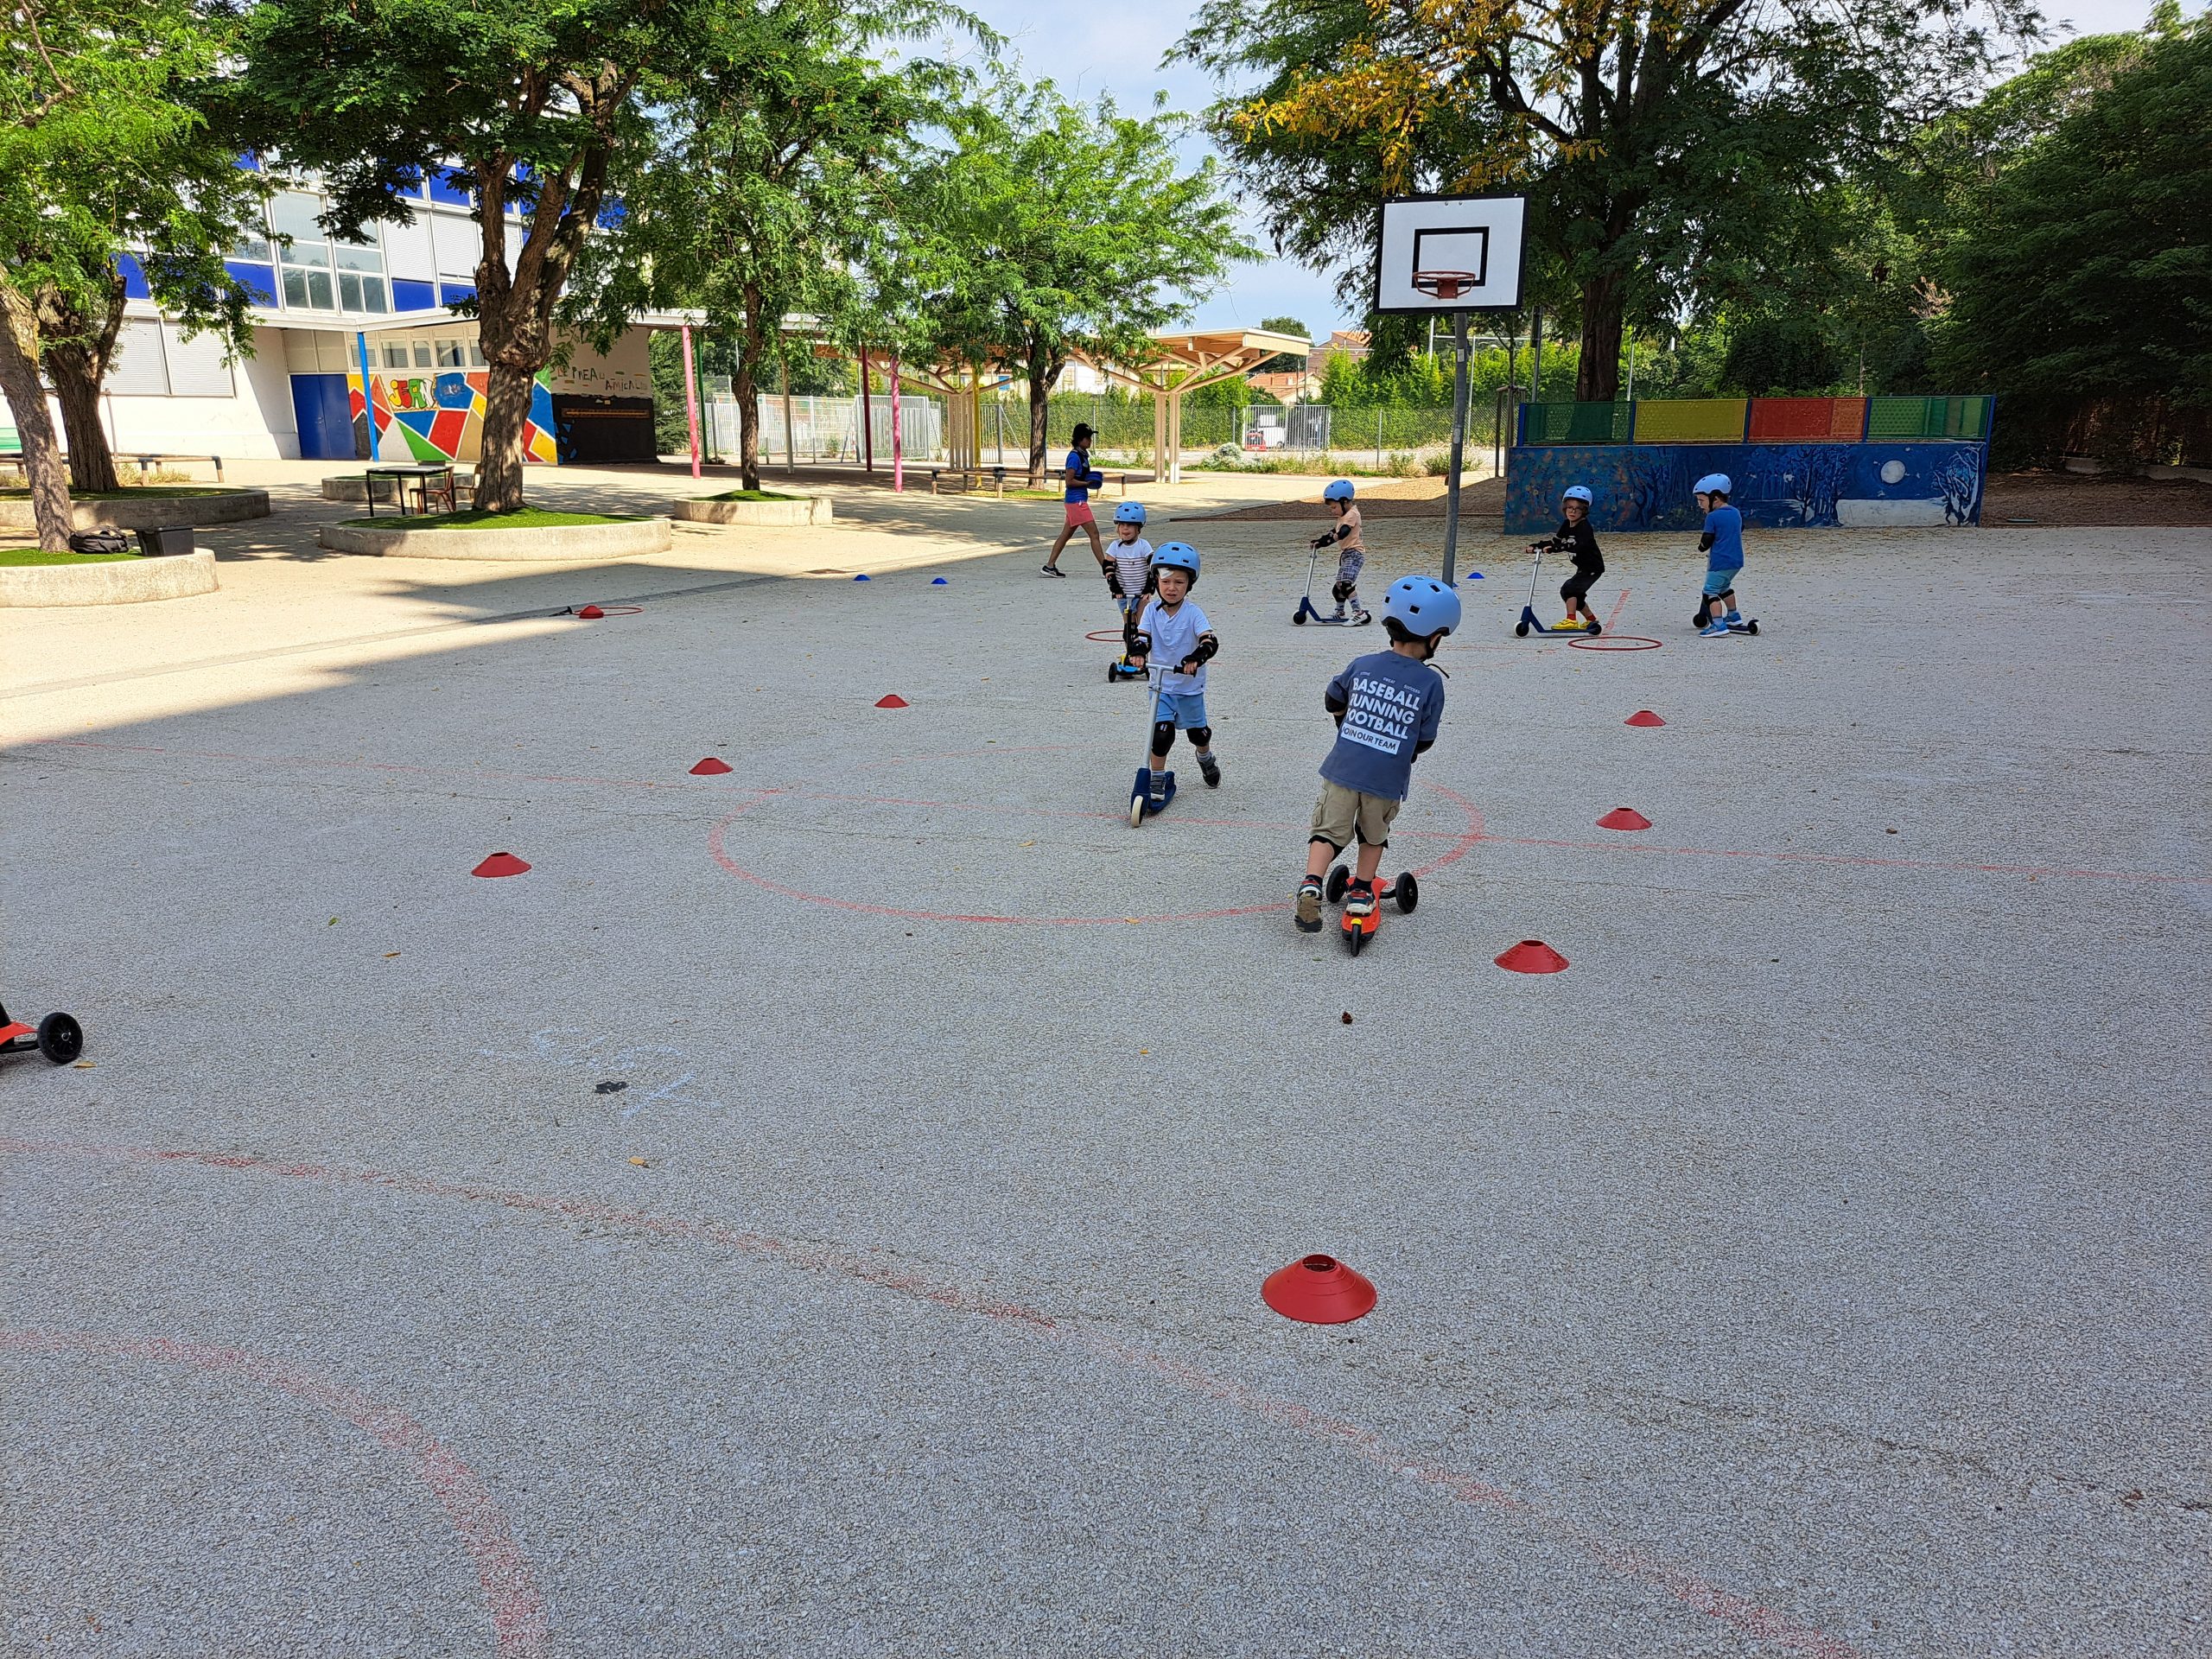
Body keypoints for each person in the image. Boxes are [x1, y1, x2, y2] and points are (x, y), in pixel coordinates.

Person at [1294, 575, 1458, 936]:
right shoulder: (1430, 683)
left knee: (1327, 831)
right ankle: (1361, 891)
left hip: (1342, 767)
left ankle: (1311, 884)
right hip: (1386, 776)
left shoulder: (1363, 664)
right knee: (1373, 834)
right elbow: (1425, 739)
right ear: (1434, 637)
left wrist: (1345, 726)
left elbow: (1333, 699)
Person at [1126, 543, 1220, 800]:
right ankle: (1156, 779)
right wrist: (1137, 652)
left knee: (1198, 734)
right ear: (1156, 581)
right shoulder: (1151, 613)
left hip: (1189, 688)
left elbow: (1209, 641)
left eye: (1179, 582)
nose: (1171, 588)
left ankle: (1206, 757)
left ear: (1189, 584)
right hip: (1161, 685)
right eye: (1166, 581)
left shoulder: (1193, 613)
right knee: (1161, 734)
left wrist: (1196, 658)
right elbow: (1142, 637)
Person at [1043, 422, 1106, 577]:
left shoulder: (1082, 455)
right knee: (1095, 534)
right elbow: (1069, 481)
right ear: (1079, 440)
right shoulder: (1074, 457)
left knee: (1065, 535)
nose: (1090, 441)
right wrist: (1087, 483)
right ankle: (1107, 569)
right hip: (1076, 502)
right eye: (1087, 438)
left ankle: (1049, 566)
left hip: (1074, 501)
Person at [1538, 484, 1604, 630]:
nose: (1572, 512)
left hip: (1593, 567)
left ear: (1584, 511)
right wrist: (1538, 546)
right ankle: (1591, 620)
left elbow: (1578, 545)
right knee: (1573, 594)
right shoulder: (1567, 524)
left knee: (1570, 589)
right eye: (1569, 508)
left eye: (1577, 509)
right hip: (1583, 567)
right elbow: (1556, 541)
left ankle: (1571, 621)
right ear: (1565, 509)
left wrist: (1557, 549)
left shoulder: (1585, 527)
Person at [1308, 478, 1369, 624]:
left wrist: (1334, 538)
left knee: (1346, 584)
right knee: (1338, 589)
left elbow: (1343, 532)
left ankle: (1358, 613)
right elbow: (1333, 533)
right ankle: (1340, 612)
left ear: (1345, 502)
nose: (1332, 511)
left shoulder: (1352, 514)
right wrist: (1320, 542)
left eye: (1334, 507)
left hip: (1355, 554)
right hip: (1347, 554)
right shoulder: (1344, 516)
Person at [1105, 501, 1154, 677]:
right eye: (1122, 525)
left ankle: (1143, 656)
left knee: (1141, 625)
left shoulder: (1143, 546)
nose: (1125, 529)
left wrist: (1150, 587)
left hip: (1141, 594)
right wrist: (1114, 585)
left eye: (1130, 526)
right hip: (1123, 594)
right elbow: (1108, 567)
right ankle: (1131, 657)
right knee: (1129, 627)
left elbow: (1153, 565)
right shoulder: (1114, 547)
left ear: (1139, 529)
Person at [1694, 473, 1746, 636]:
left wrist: (1701, 547)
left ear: (1715, 499)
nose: (1700, 505)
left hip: (1720, 562)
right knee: (1724, 588)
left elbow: (1707, 539)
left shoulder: (1712, 517)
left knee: (1710, 591)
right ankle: (1733, 616)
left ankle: (1718, 624)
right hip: (1736, 562)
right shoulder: (1735, 512)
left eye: (1702, 500)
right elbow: (1740, 529)